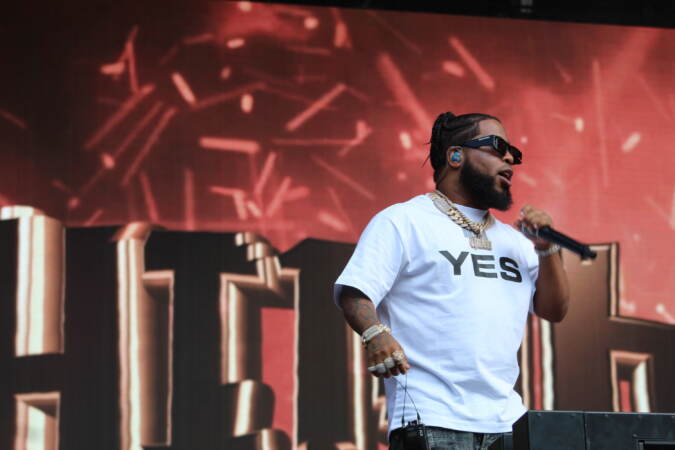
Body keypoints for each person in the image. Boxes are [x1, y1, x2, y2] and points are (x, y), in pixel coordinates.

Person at [334, 112, 570, 450]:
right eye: (497, 147)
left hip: (508, 422)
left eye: (513, 155)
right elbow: (356, 293)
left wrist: (547, 251)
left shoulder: (516, 241)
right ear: (455, 156)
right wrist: (375, 333)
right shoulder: (404, 221)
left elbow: (554, 310)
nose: (509, 159)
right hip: (431, 418)